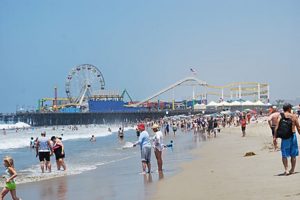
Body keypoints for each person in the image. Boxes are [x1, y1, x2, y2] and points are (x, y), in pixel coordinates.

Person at [273, 103, 300, 175]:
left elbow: (276, 127)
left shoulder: (280, 116)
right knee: (293, 154)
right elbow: (298, 128)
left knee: (284, 154)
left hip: (285, 137)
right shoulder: (294, 116)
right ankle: (292, 169)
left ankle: (286, 170)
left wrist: (275, 137)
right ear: (289, 109)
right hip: (293, 135)